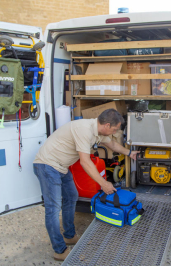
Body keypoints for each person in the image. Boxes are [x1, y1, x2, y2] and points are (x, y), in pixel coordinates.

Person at [33, 109, 139, 261]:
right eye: (115, 129)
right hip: (47, 166)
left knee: (71, 197)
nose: (115, 132)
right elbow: (85, 161)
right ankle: (59, 250)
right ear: (107, 125)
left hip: (61, 167)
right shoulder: (84, 130)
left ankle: (69, 236)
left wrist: (129, 153)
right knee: (53, 208)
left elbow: (113, 145)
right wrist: (103, 183)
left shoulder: (100, 132)